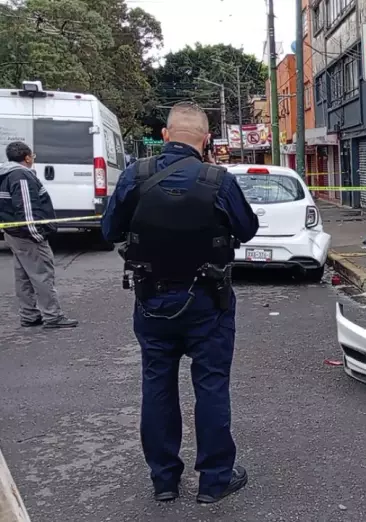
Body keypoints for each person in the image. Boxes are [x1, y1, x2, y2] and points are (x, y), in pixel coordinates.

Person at [101, 102, 259, 504]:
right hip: (209, 300)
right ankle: (214, 481)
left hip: (152, 299)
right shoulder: (218, 180)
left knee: (157, 385)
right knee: (211, 387)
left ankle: (164, 480)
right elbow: (248, 228)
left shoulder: (135, 176)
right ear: (206, 140)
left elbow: (109, 230)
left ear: (166, 135)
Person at [0, 142, 79, 329]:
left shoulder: (6, 174)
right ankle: (52, 316)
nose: (33, 159)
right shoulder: (21, 176)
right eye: (32, 156)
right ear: (27, 157)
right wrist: (37, 234)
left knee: (24, 275)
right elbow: (27, 209)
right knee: (42, 274)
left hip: (14, 234)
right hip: (26, 235)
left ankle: (29, 314)